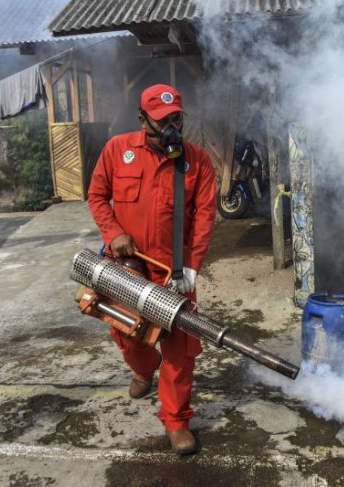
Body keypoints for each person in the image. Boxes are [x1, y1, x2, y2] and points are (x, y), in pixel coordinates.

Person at [87, 84, 217, 455]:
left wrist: (191, 267)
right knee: (130, 332)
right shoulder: (117, 150)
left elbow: (205, 216)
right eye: (163, 120)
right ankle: (143, 367)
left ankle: (176, 420)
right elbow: (97, 196)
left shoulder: (197, 161)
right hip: (128, 268)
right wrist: (114, 233)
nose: (172, 126)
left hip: (173, 270)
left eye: (177, 117)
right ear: (143, 120)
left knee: (180, 347)